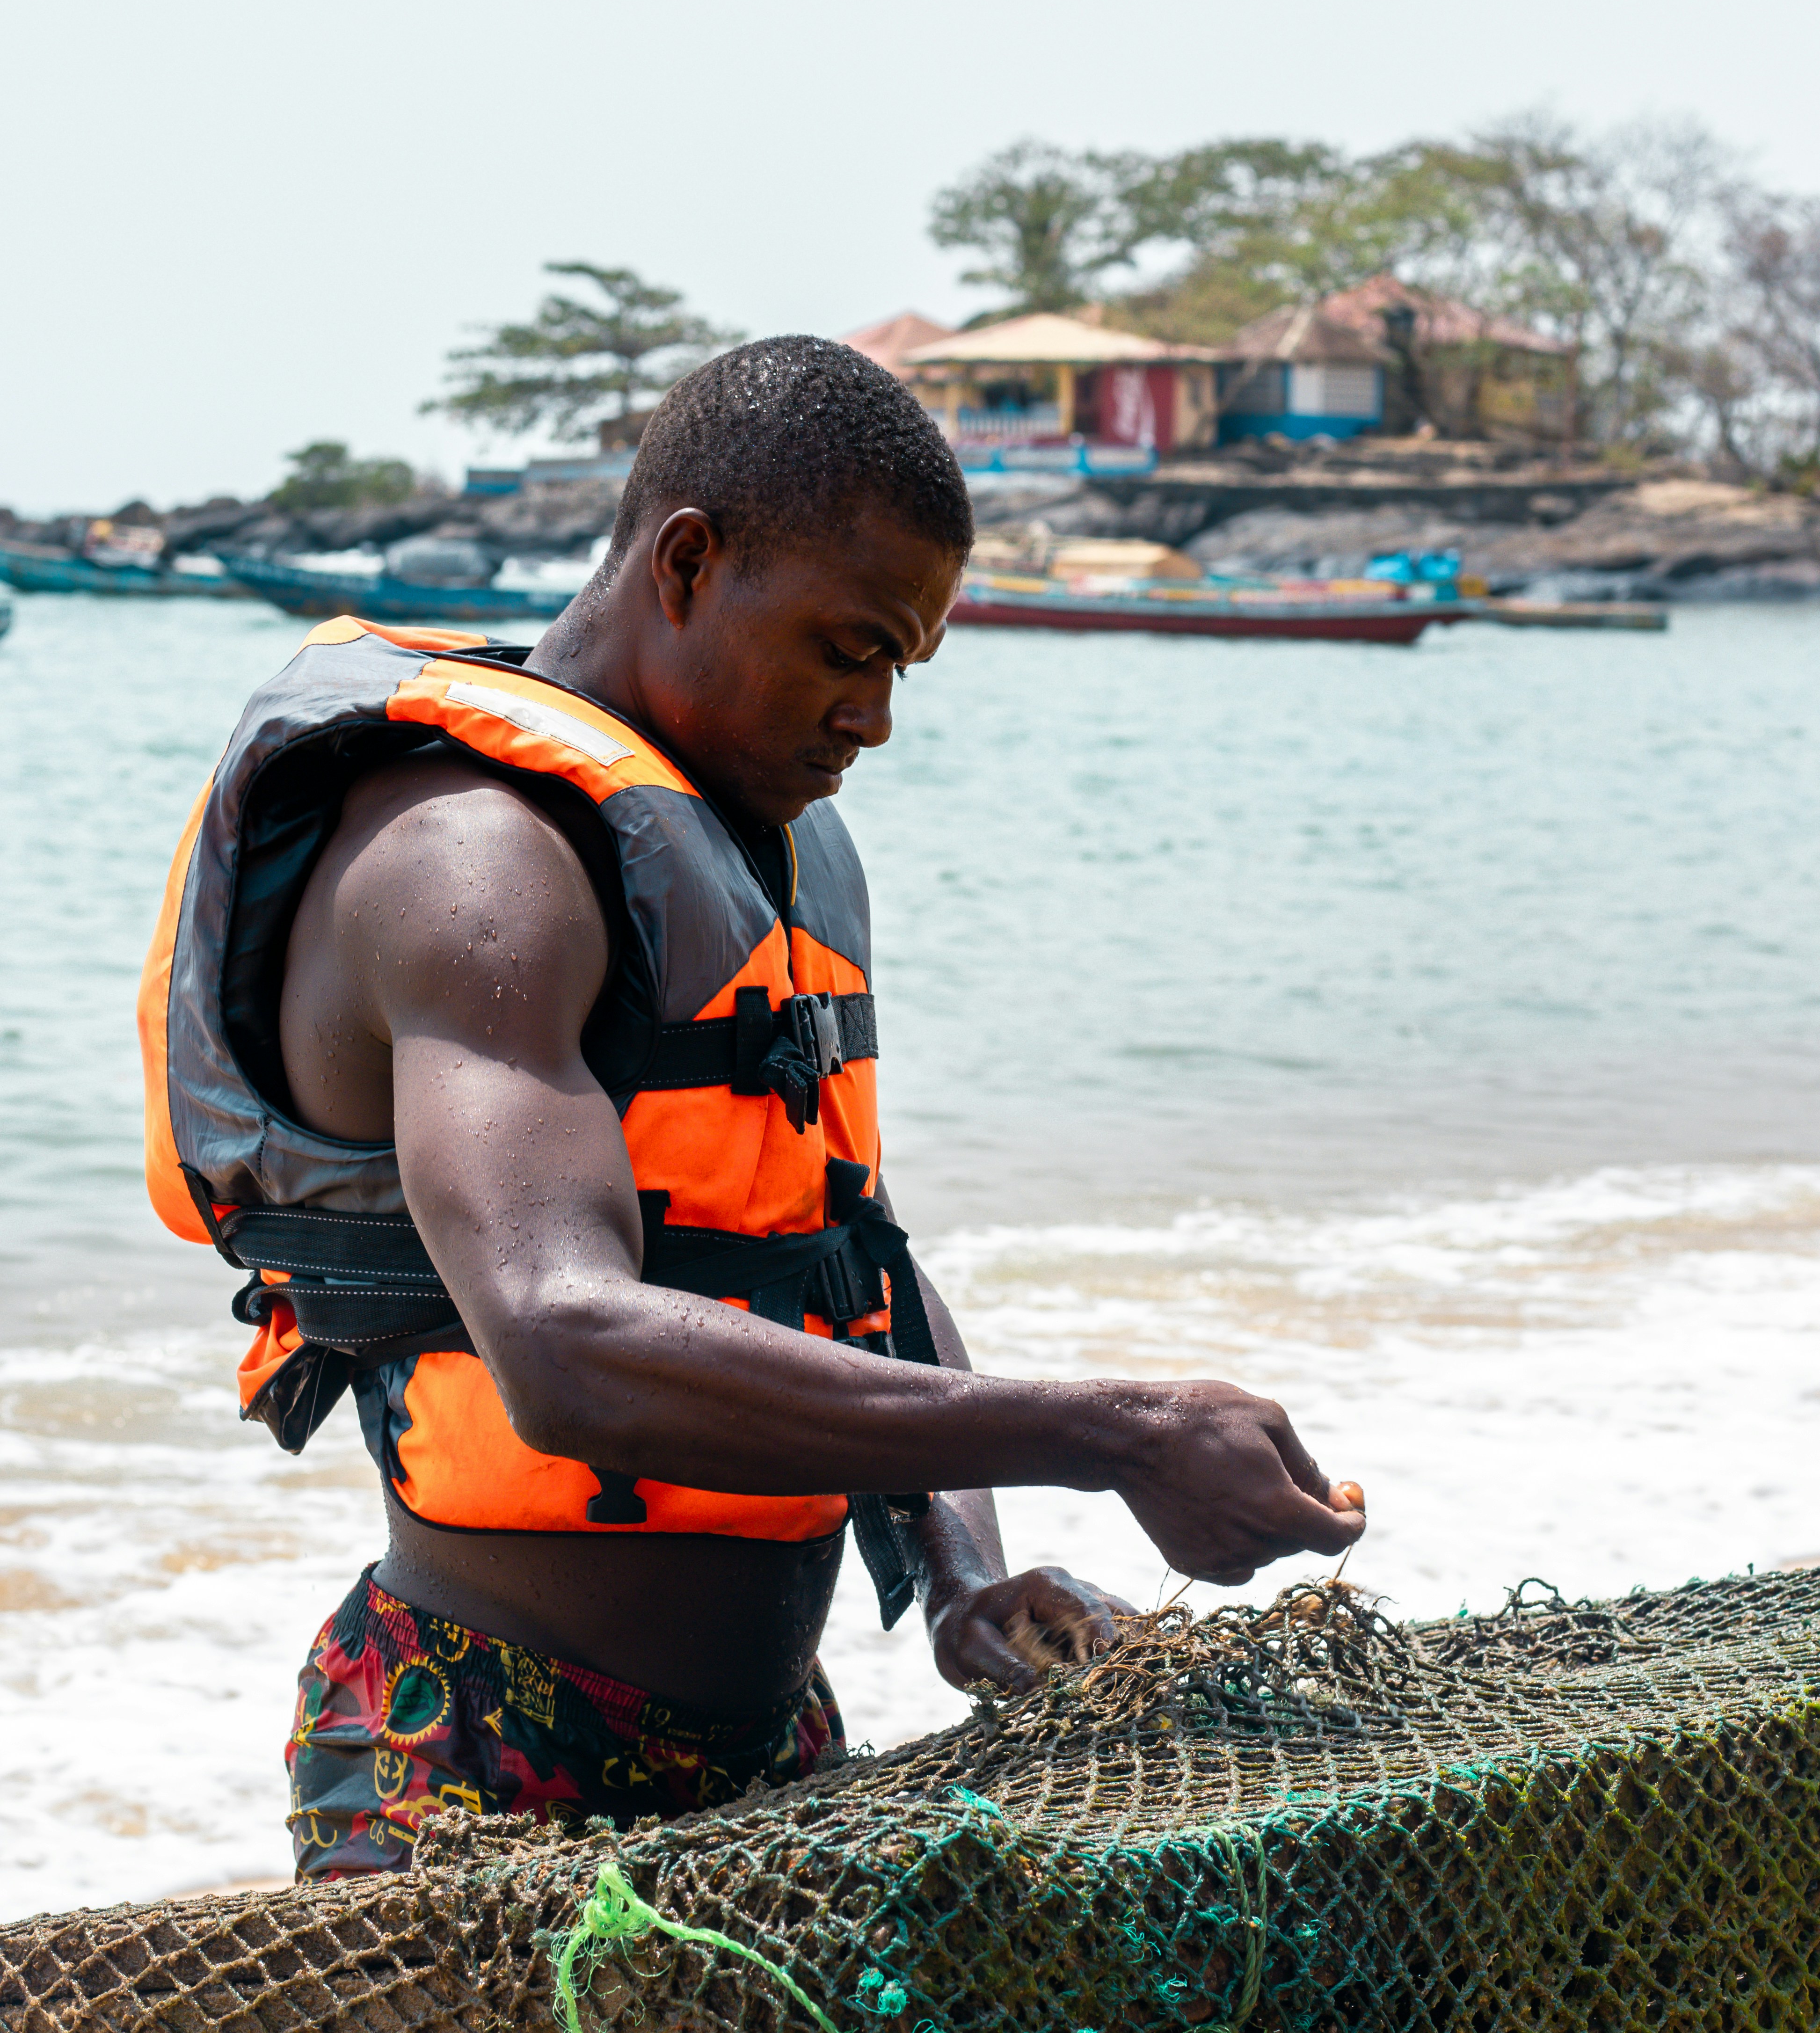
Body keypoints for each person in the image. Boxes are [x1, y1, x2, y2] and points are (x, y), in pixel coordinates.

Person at [138, 337, 1364, 1880]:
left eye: (901, 666)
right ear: (690, 561)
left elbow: (843, 1258)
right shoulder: (476, 867)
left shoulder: (756, 847)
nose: (875, 717)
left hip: (778, 1748)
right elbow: (563, 1342)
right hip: (477, 1760)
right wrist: (1112, 1432)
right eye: (848, 648)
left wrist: (960, 1570)